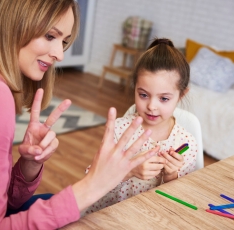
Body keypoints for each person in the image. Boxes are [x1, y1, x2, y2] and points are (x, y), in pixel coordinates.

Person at [0, 0, 159, 229]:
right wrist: (92, 186)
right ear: (13, 23)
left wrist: (29, 165)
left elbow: (5, 203)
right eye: (51, 36)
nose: (60, 54)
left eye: (64, 41)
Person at [82, 38, 198, 216]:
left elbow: (177, 203)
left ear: (181, 95)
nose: (151, 106)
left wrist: (171, 176)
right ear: (135, 87)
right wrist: (130, 170)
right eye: (143, 95)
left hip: (151, 218)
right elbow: (90, 180)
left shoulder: (186, 143)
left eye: (164, 99)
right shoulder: (121, 130)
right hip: (107, 216)